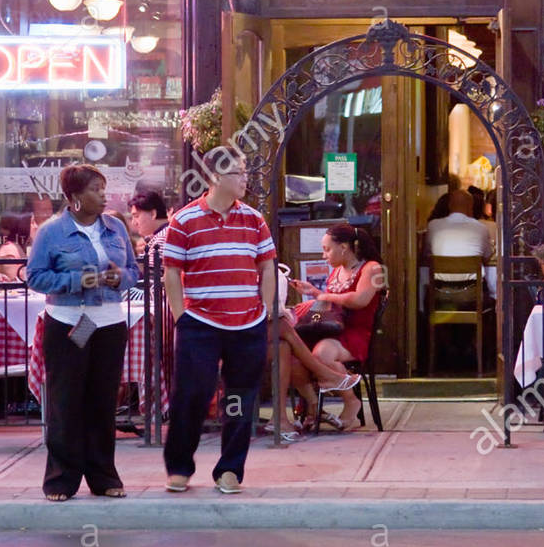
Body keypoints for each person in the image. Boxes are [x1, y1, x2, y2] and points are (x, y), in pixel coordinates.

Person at [163, 150, 277, 494]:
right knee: (192, 395)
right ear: (214, 177)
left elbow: (267, 265)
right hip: (200, 322)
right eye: (238, 173)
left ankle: (230, 470)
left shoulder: (254, 219)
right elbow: (171, 272)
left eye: (245, 172)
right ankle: (180, 467)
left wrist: (267, 309)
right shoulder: (184, 220)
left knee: (239, 398)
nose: (245, 179)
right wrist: (181, 316)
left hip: (247, 323)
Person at [27, 165, 138, 501]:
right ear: (75, 198)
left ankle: (103, 476)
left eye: (104, 188)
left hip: (108, 322)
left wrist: (122, 278)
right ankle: (61, 479)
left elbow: (134, 269)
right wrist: (78, 281)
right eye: (95, 189)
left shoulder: (116, 227)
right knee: (66, 401)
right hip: (69, 323)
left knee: (103, 402)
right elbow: (35, 277)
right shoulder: (52, 233)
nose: (104, 196)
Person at [287, 223, 383, 432]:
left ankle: (351, 400)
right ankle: (313, 406)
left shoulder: (373, 268)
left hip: (355, 332)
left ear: (344, 247)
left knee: (321, 354)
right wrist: (314, 293)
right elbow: (333, 306)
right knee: (292, 354)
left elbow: (360, 300)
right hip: (332, 330)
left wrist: (323, 296)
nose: (324, 255)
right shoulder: (337, 271)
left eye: (327, 249)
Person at [426, 188, 493, 296]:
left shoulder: (433, 226)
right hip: (471, 294)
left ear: (449, 206)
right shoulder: (481, 228)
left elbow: (428, 254)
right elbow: (487, 256)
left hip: (441, 292)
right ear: (470, 207)